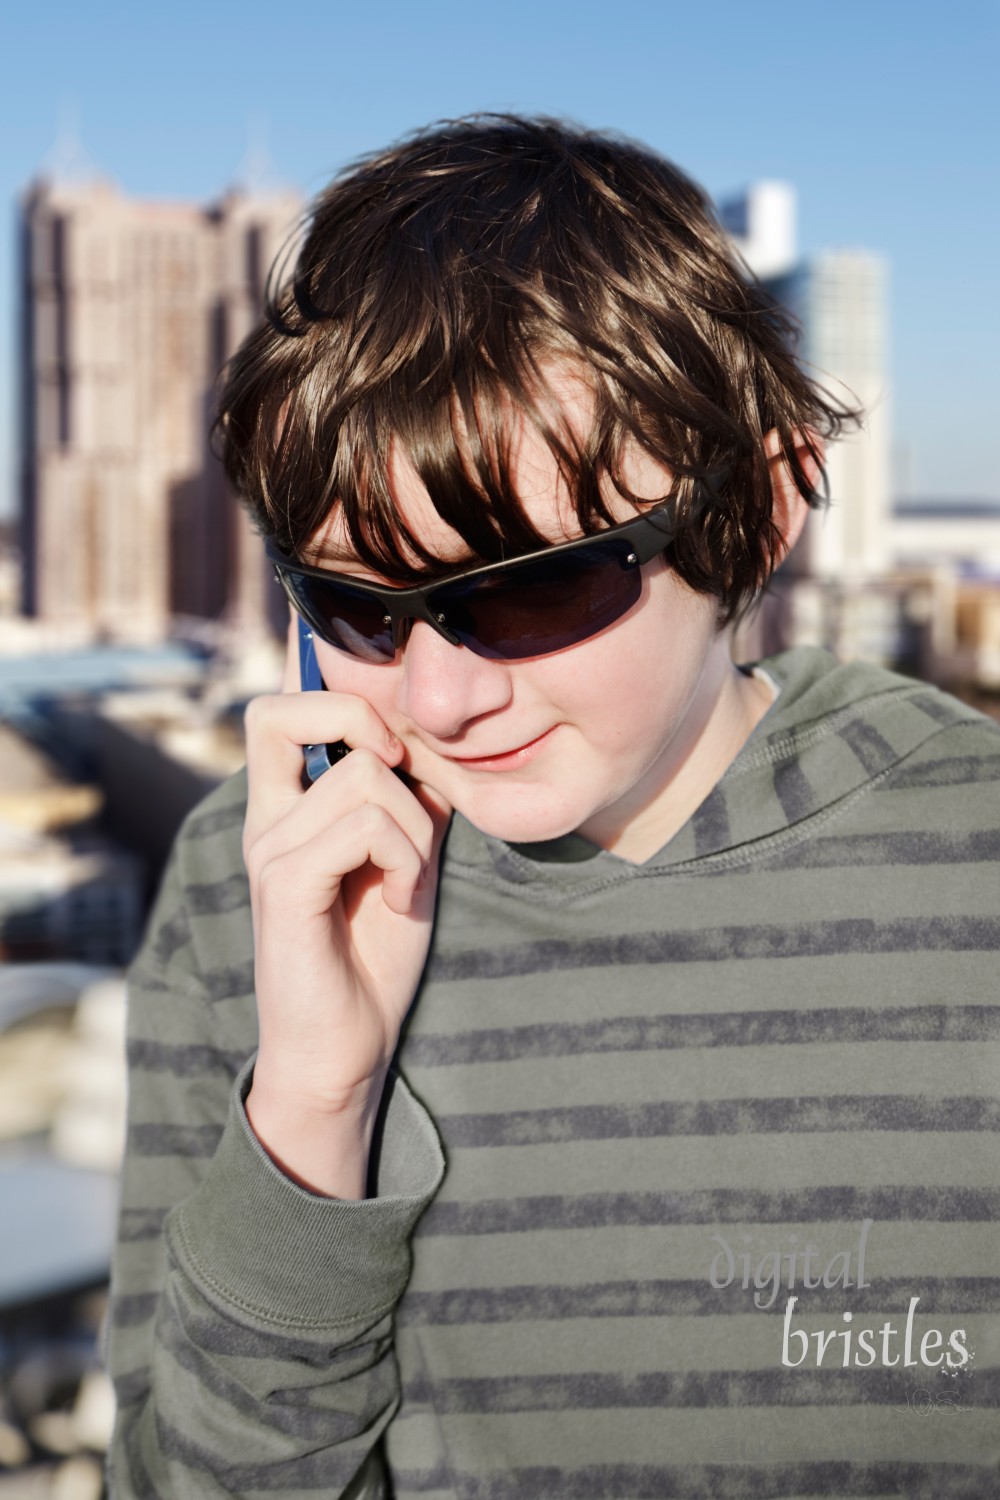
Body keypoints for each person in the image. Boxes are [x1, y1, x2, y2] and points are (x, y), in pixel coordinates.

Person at [106, 116, 999, 1498]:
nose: (446, 702)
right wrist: (311, 1106)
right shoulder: (260, 882)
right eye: (359, 606)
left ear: (759, 511)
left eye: (532, 588)